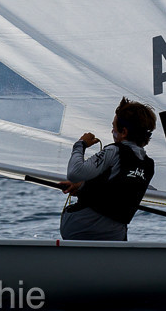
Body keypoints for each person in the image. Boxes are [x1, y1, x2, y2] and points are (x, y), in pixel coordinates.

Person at [59, 98, 157, 242]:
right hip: (114, 236)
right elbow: (117, 192)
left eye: (114, 127)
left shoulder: (114, 151)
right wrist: (82, 187)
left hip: (81, 232)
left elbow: (74, 173)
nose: (112, 131)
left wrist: (80, 144)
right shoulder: (148, 165)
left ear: (123, 132)